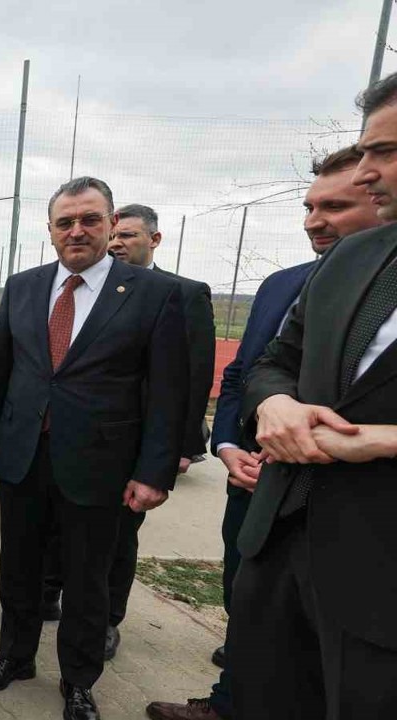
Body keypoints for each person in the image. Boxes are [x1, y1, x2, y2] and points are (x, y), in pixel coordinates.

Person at [145, 148, 382, 720]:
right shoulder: (284, 286)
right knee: (251, 614)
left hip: (363, 518)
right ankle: (229, 702)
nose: (314, 221)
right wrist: (232, 444)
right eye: (309, 207)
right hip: (259, 488)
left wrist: (374, 439)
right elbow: (247, 371)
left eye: (336, 206)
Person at [0, 177, 187, 720]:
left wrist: (155, 470)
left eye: (90, 219)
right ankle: (15, 656)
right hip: (24, 457)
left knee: (87, 580)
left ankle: (78, 681)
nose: (77, 231)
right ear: (49, 231)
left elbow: (168, 392)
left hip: (100, 465)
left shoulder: (153, 293)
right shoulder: (22, 287)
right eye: (65, 222)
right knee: (18, 569)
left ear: (112, 224)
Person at [225, 73, 397, 720]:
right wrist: (274, 405)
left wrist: (378, 442)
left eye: (385, 152)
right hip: (280, 547)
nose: (368, 172)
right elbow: (276, 362)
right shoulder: (353, 258)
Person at [45, 203, 216, 660]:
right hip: (72, 444)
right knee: (64, 533)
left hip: (133, 448)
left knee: (116, 542)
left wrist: (176, 450)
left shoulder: (179, 293)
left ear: (155, 240)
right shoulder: (80, 289)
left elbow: (189, 380)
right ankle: (50, 594)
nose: (119, 243)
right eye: (116, 235)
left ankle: (106, 622)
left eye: (129, 236)